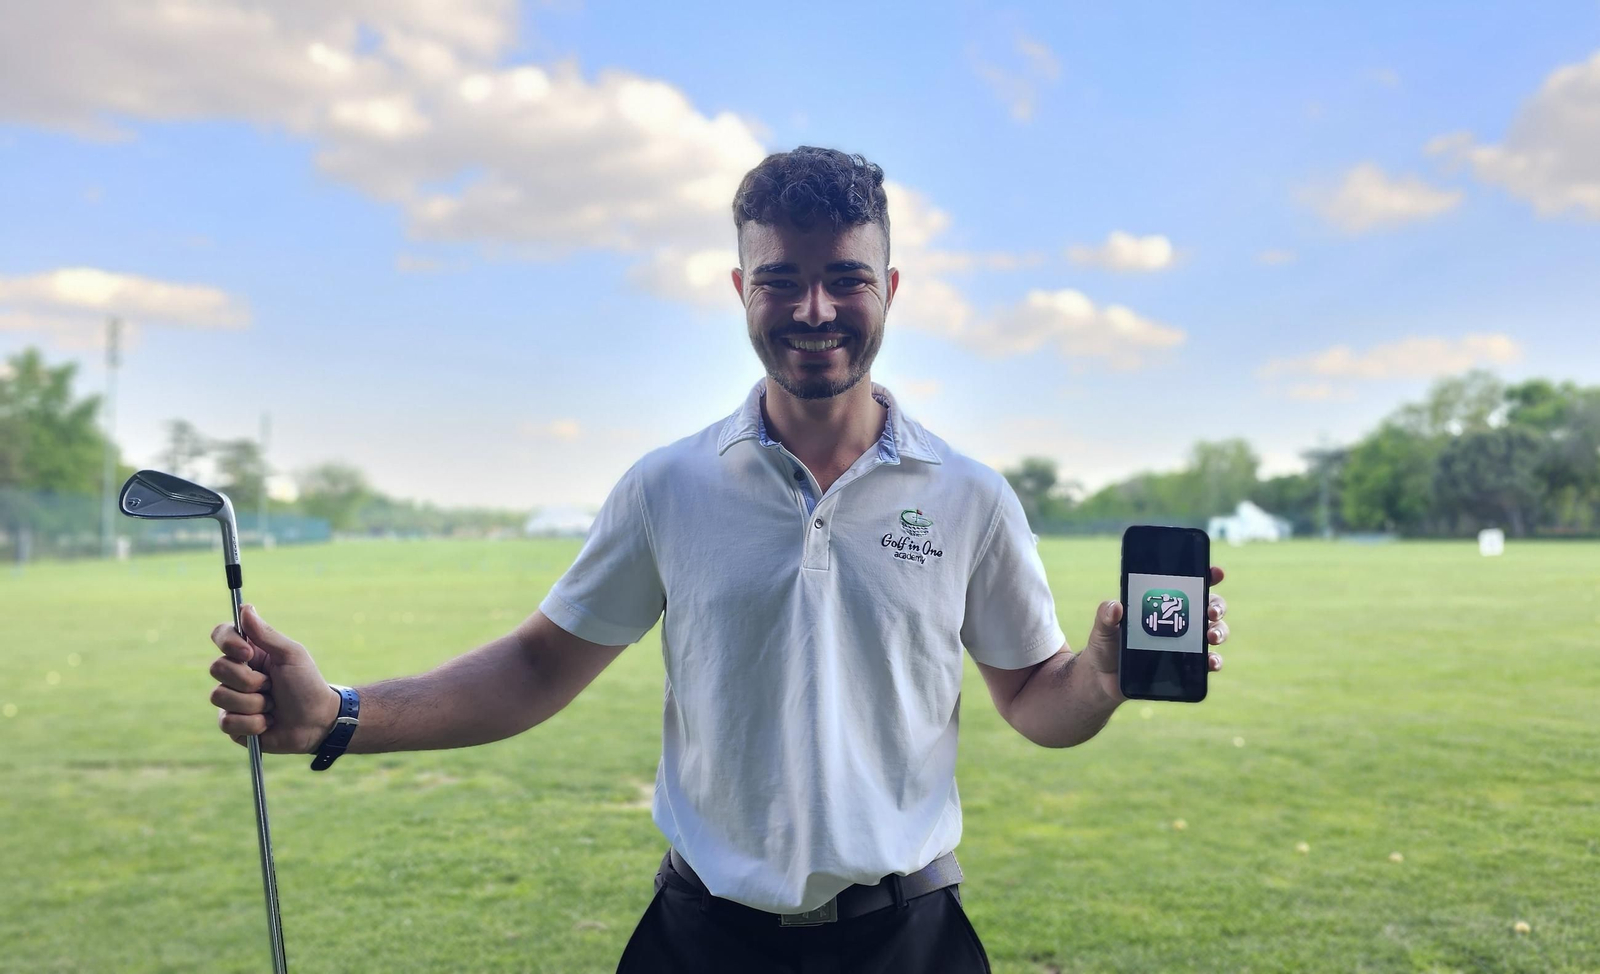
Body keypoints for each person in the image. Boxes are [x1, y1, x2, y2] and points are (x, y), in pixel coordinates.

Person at [207, 146, 1231, 973]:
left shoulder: (969, 495)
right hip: (703, 938)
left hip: (907, 937)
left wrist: (1099, 674)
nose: (815, 309)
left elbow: (1034, 699)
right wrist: (337, 713)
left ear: (891, 287)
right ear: (742, 286)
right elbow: (534, 667)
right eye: (782, 279)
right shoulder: (670, 486)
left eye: (846, 278)